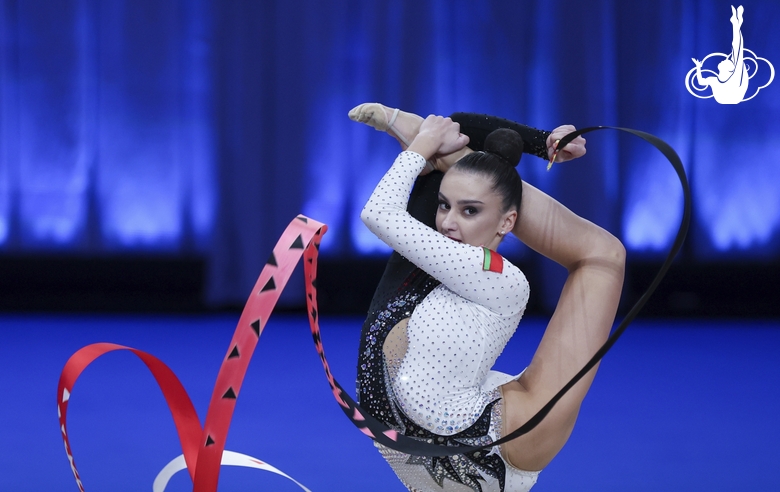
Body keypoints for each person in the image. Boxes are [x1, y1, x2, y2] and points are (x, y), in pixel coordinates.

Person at [350, 103, 625, 492]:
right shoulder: (474, 264)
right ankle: (445, 156)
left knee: (602, 257)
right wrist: (537, 142)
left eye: (470, 210)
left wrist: (425, 144)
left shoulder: (496, 278)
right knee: (602, 257)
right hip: (501, 436)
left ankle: (443, 154)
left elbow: (381, 213)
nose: (447, 221)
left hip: (429, 416)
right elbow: (387, 214)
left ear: (506, 222)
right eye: (447, 205)